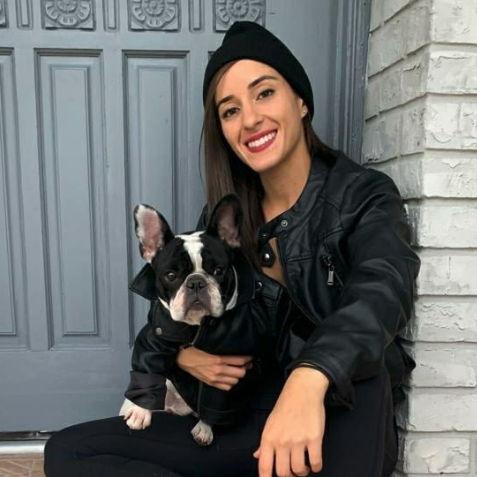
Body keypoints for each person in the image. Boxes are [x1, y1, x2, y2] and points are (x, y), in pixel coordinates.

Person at [43, 21, 420, 477]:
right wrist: (181, 354)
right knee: (69, 452)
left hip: (338, 404)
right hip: (246, 409)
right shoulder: (225, 219)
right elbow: (183, 300)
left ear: (301, 101)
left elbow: (382, 290)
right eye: (230, 110)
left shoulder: (363, 195)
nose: (250, 119)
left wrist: (311, 375)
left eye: (265, 93)